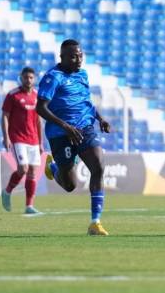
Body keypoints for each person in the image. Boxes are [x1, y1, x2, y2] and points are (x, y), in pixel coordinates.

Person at [37, 39, 112, 236]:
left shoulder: (82, 74)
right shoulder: (52, 77)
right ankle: (54, 168)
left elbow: (85, 102)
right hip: (60, 134)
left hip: (85, 129)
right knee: (70, 185)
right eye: (72, 56)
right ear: (61, 57)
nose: (78, 59)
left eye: (80, 55)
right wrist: (65, 126)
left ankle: (95, 222)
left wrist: (100, 118)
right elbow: (40, 108)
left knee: (98, 167)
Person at [1, 66, 43, 215]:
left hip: (34, 139)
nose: (28, 80)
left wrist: (41, 142)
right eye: (26, 77)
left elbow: (38, 121)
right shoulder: (13, 95)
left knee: (32, 172)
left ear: (34, 79)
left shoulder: (37, 96)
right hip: (18, 138)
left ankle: (29, 206)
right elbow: (5, 116)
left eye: (31, 77)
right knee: (23, 169)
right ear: (21, 78)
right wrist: (6, 137)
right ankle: (7, 191)